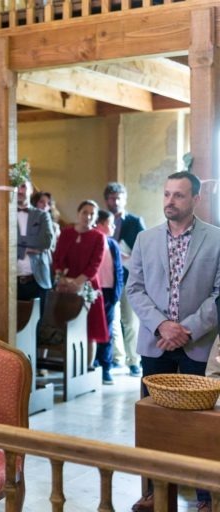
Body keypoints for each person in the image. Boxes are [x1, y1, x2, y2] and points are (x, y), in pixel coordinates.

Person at [127, 171, 220, 512]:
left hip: (199, 345)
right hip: (156, 344)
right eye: (167, 194)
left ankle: (207, 497)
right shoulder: (145, 239)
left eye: (179, 195)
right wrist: (163, 325)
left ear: (196, 199)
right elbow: (133, 288)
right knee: (155, 420)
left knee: (200, 423)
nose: (170, 201)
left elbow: (219, 295)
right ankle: (153, 492)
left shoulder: (216, 239)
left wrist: (187, 329)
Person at [53, 200, 109, 379]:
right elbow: (58, 258)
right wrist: (61, 278)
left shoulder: (99, 237)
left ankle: (87, 368)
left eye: (92, 214)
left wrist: (78, 282)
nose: (88, 216)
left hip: (87, 286)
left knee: (89, 328)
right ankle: (62, 366)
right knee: (60, 324)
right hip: (64, 284)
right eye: (85, 212)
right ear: (78, 213)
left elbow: (95, 264)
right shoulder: (66, 233)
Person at [104, 182, 146, 377]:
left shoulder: (135, 221)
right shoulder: (100, 219)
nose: (116, 201)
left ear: (125, 199)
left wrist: (128, 258)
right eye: (112, 198)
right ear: (106, 200)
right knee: (112, 321)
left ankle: (134, 361)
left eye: (119, 197)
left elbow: (144, 249)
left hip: (129, 277)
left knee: (130, 321)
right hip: (107, 278)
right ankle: (117, 358)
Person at [16, 180, 55, 332]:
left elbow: (46, 241)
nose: (19, 190)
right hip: (12, 282)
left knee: (35, 327)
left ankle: (32, 357)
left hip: (37, 280)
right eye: (16, 186)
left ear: (31, 190)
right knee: (14, 326)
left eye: (23, 186)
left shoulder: (42, 215)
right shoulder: (4, 215)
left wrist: (17, 244)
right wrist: (26, 249)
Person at [93, 209, 124, 385]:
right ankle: (92, 364)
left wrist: (117, 294)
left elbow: (118, 270)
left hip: (109, 292)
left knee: (107, 331)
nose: (113, 227)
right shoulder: (90, 240)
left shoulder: (112, 244)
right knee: (92, 330)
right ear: (101, 224)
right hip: (93, 292)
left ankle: (106, 367)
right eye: (110, 224)